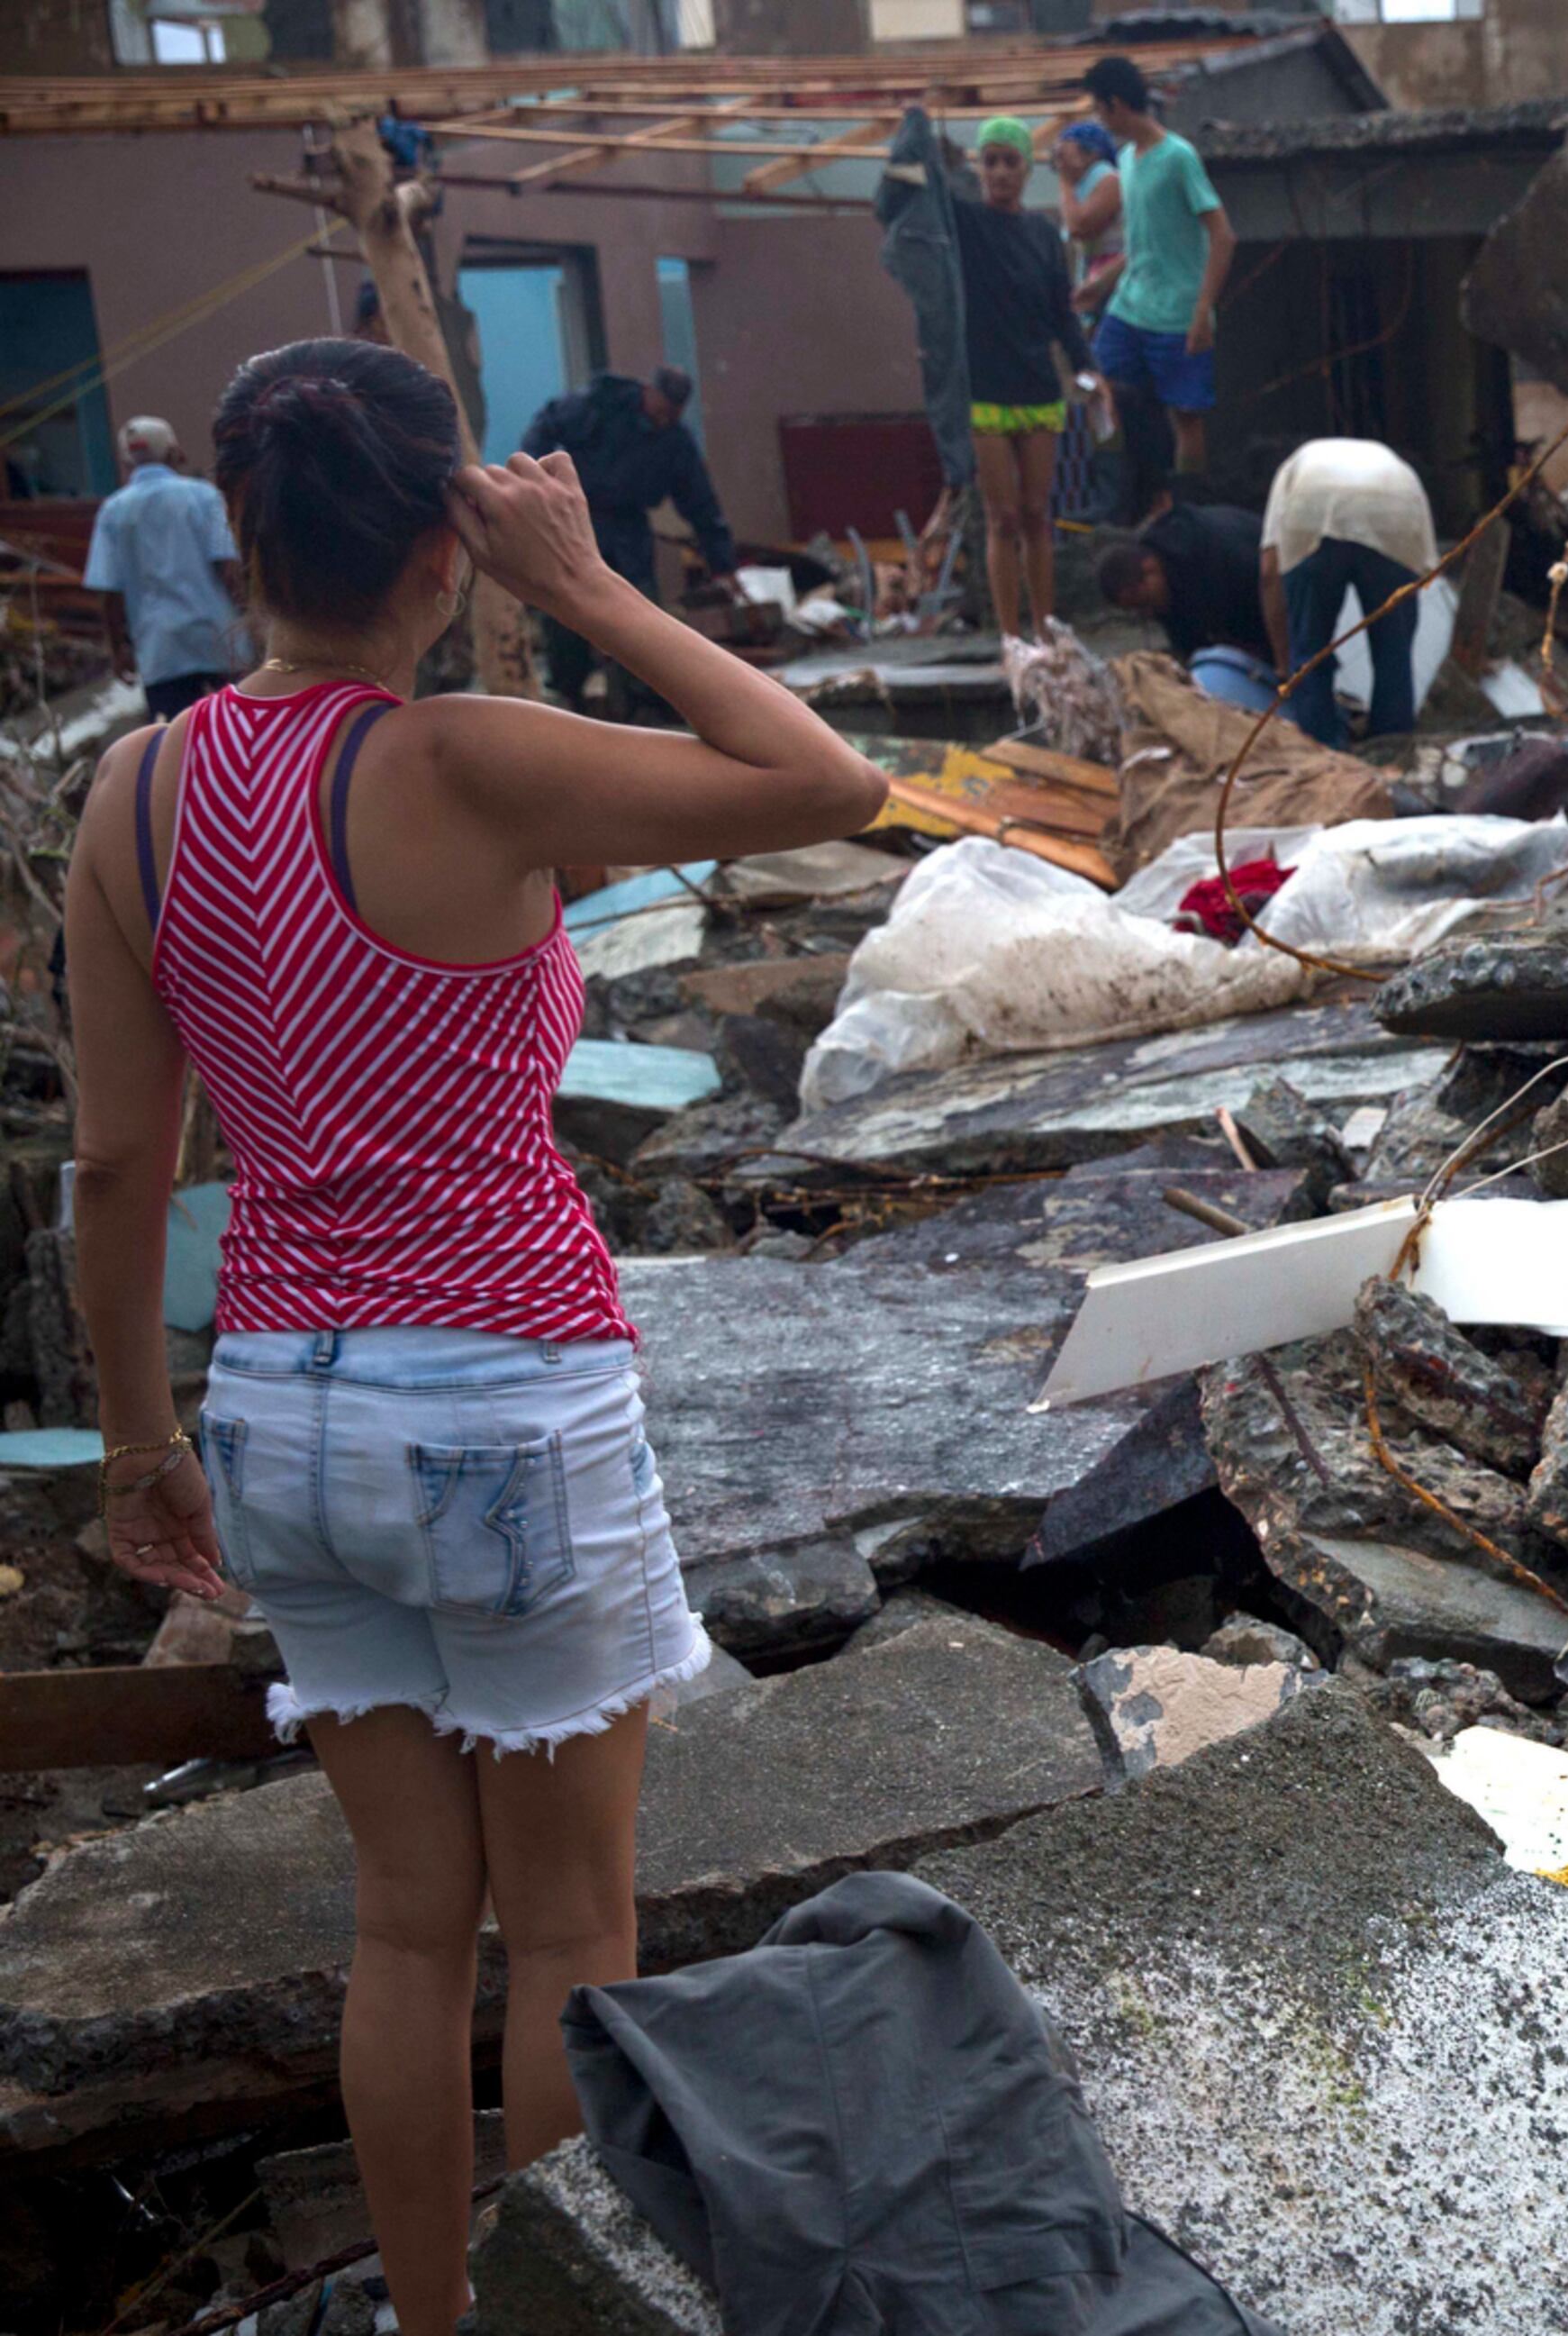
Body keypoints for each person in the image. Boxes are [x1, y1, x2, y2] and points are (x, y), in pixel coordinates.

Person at [62, 336, 889, 2331]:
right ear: (451, 536)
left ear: (239, 538)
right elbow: (832, 782)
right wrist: (589, 585)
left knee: (409, 1928)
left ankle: (435, 2320)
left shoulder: (138, 789)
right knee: (574, 1924)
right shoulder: (462, 753)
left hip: (276, 1403)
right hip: (502, 1388)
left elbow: (111, 1165)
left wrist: (131, 1449)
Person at [949, 115, 1094, 641]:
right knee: (1002, 516)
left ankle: (1045, 625)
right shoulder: (964, 224)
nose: (1001, 172)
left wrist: (1086, 368)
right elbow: (928, 196)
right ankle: (1010, 635)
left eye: (1011, 161)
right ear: (980, 168)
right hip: (985, 390)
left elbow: (1062, 312)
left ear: (1026, 169)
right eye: (991, 161)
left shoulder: (1042, 234)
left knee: (1037, 513)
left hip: (1038, 388)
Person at [516, 367, 733, 714]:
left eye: (672, 414)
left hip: (630, 530)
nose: (664, 418)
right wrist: (536, 483)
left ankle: (643, 698)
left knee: (640, 612)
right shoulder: (599, 405)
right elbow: (545, 428)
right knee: (565, 608)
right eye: (661, 408)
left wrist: (722, 562)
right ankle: (570, 692)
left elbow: (701, 503)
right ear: (648, 391)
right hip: (579, 519)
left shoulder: (675, 441)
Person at [1082, 53, 1233, 517]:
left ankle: (1187, 509)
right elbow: (1142, 241)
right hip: (1131, 305)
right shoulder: (1126, 159)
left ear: (1117, 105)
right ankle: (1122, 495)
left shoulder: (1178, 157)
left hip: (1178, 310)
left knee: (1186, 416)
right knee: (1097, 384)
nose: (1098, 119)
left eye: (1099, 108)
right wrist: (1102, 284)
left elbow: (1222, 234)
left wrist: (1202, 309)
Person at [1259, 437, 1436, 750]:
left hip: (1311, 507)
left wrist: (1284, 663)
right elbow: (1423, 569)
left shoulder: (1291, 469)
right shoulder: (1394, 463)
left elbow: (1268, 571)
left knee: (1311, 653)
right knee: (1393, 656)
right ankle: (1392, 754)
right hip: (1395, 504)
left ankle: (1322, 755)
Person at [84, 417, 245, 718]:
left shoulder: (113, 511)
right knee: (242, 734)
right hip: (221, 642)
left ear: (126, 461)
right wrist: (251, 623)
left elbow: (108, 592)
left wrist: (118, 650)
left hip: (161, 653)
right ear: (174, 453)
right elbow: (229, 569)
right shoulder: (205, 497)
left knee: (177, 745)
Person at [1095, 495, 1269, 663]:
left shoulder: (1212, 552)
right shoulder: (1167, 591)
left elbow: (1270, 593)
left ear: (1150, 568)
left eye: (1144, 603)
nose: (1148, 613)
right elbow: (1193, 650)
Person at [1055, 118, 1125, 318]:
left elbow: (1078, 226)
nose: (1059, 163)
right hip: (1095, 268)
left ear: (1090, 154)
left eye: (1064, 155)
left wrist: (1065, 182)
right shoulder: (1083, 184)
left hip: (1113, 272)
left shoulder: (1107, 178)